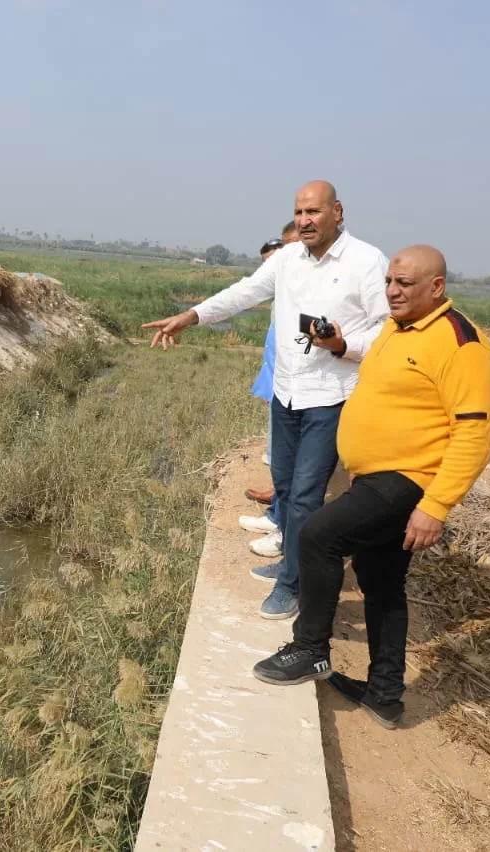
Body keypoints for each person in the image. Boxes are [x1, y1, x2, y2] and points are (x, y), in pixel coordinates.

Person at [252, 245, 490, 729]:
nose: (392, 291)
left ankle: (310, 649)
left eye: (404, 283)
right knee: (380, 581)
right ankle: (385, 693)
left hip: (410, 479)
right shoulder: (397, 327)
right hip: (379, 476)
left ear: (437, 287)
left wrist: (436, 506)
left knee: (318, 535)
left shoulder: (460, 342)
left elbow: (475, 433)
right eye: (389, 281)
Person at [143, 181, 389, 619]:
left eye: (313, 212)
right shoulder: (288, 259)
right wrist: (192, 316)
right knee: (287, 487)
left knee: (306, 495)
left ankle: (293, 585)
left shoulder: (366, 261)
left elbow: (386, 330)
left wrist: (342, 344)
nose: (304, 221)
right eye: (299, 212)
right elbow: (243, 292)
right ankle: (292, 562)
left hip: (330, 398)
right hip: (286, 393)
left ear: (337, 212)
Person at [240, 221, 300, 564]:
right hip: (280, 384)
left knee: (290, 463)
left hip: (298, 392)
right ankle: (276, 514)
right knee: (280, 457)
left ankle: (282, 530)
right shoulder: (282, 291)